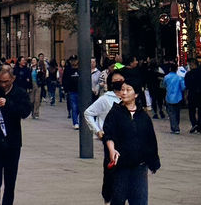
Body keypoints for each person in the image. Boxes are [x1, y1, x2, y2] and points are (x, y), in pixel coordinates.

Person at [0, 63, 32, 205]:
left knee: (10, 180)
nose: (3, 85)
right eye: (0, 81)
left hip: (13, 142)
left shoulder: (20, 92)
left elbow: (25, 112)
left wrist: (7, 103)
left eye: (6, 81)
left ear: (13, 79)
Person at [103, 81, 160, 205]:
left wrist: (153, 160)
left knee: (140, 201)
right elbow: (109, 134)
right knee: (118, 199)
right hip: (120, 166)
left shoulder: (143, 116)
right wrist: (111, 150)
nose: (124, 93)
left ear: (136, 94)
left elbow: (150, 139)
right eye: (122, 90)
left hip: (139, 166)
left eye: (128, 90)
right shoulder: (115, 113)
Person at [84, 70, 126, 204]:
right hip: (110, 140)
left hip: (127, 140)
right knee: (111, 172)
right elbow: (88, 113)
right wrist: (97, 130)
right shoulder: (105, 99)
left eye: (121, 80)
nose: (119, 83)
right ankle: (108, 198)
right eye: (116, 81)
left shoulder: (129, 98)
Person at [184, 58, 201, 134]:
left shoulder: (188, 74)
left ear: (192, 65)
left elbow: (187, 85)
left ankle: (194, 123)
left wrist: (186, 95)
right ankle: (199, 127)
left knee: (192, 110)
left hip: (192, 94)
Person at [162, 63, 185, 134]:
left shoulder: (166, 77)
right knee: (177, 113)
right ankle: (176, 126)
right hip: (178, 97)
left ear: (169, 69)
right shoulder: (179, 78)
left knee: (171, 113)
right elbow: (183, 87)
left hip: (169, 97)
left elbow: (163, 85)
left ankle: (174, 128)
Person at [62, 56, 81, 128]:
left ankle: (79, 120)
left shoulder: (80, 69)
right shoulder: (67, 69)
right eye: (72, 60)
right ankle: (75, 122)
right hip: (71, 91)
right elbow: (64, 80)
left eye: (75, 60)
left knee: (79, 107)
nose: (74, 62)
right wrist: (65, 89)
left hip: (80, 91)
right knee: (74, 107)